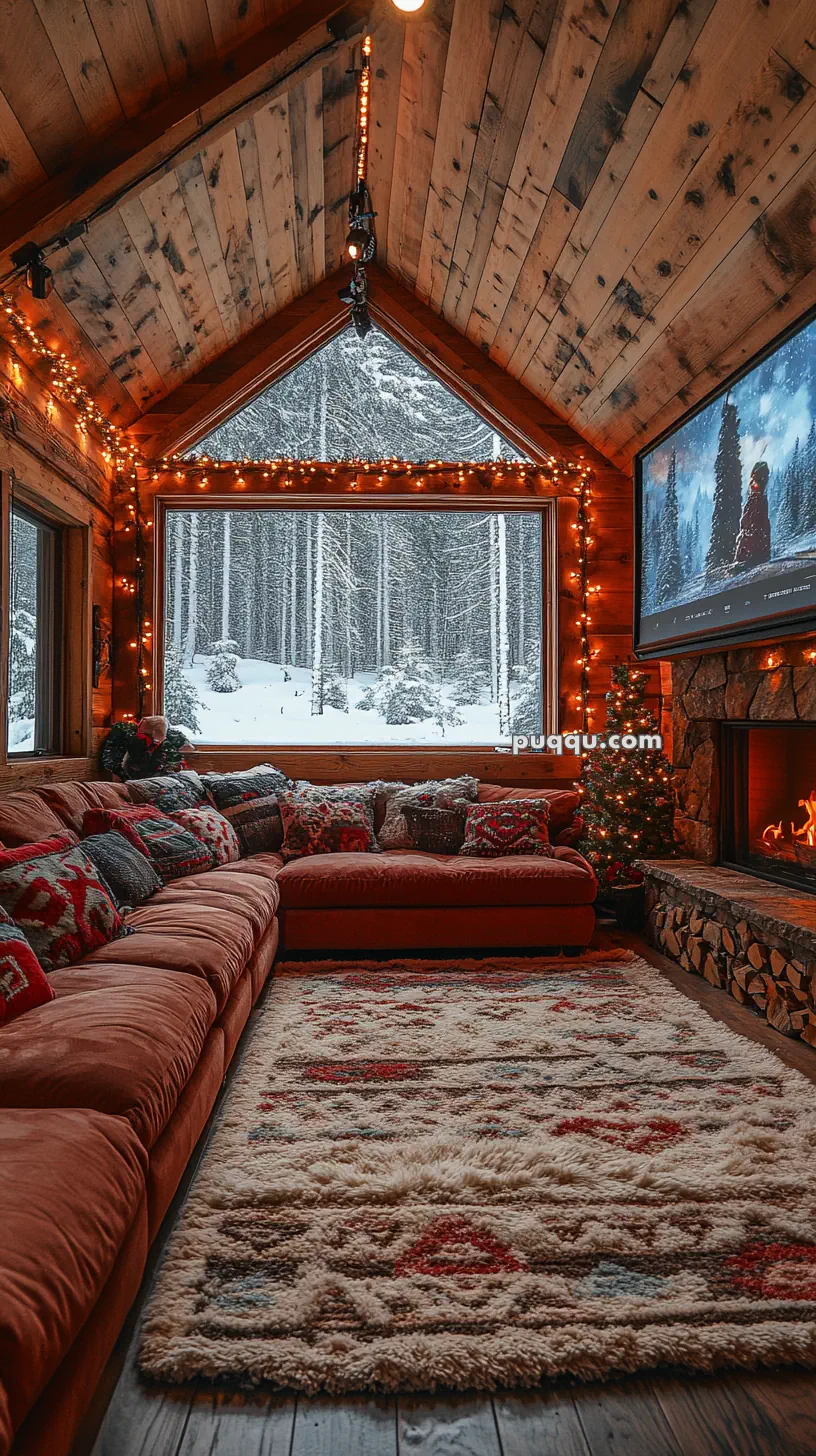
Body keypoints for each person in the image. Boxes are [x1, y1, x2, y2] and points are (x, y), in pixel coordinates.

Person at [734, 461, 771, 565]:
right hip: (753, 541)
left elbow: (754, 522)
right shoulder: (758, 497)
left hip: (752, 543)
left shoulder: (758, 498)